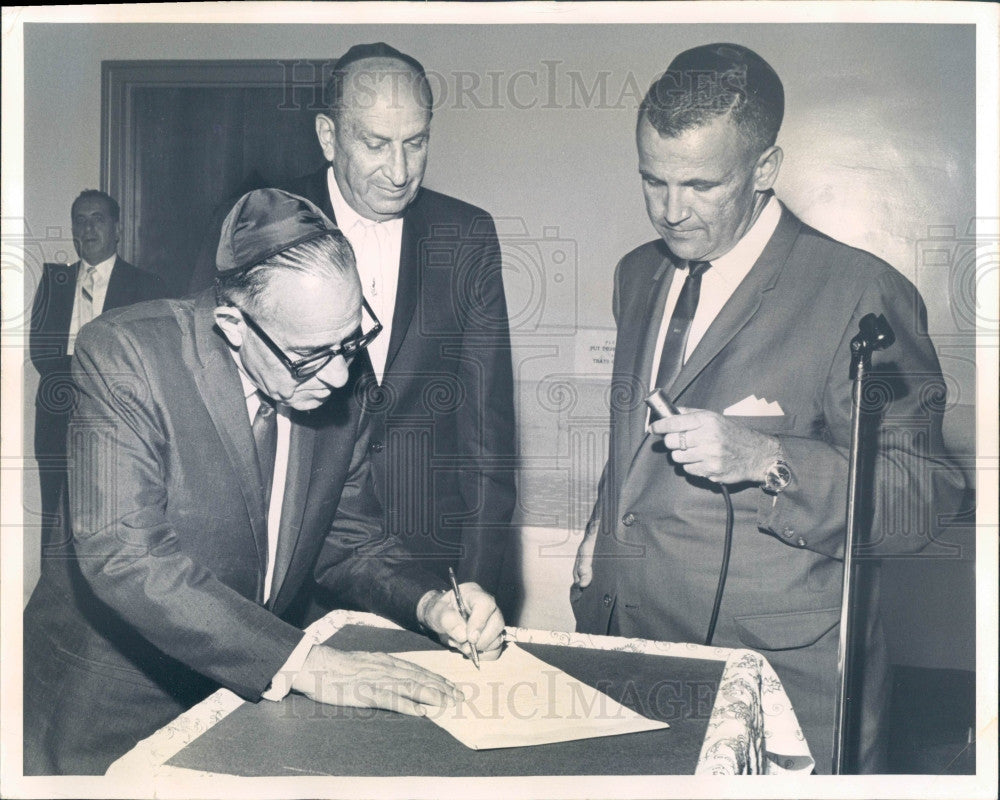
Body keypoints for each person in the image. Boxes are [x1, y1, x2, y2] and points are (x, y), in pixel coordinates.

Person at [570, 43, 963, 773]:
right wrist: (600, 535)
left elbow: (926, 499)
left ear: (765, 169)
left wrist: (767, 460)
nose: (670, 210)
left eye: (700, 185)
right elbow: (635, 434)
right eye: (652, 180)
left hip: (783, 688)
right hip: (628, 655)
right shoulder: (637, 274)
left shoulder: (860, 292)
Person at [22, 188, 504, 775]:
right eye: (308, 356)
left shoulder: (337, 369)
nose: (338, 374)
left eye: (351, 342)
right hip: (105, 713)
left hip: (242, 701)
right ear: (233, 324)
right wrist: (307, 663)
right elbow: (124, 555)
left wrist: (430, 602)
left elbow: (349, 538)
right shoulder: (126, 357)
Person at [283, 42, 516, 601]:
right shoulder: (271, 222)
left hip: (431, 564)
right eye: (376, 144)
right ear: (328, 136)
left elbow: (489, 433)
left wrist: (476, 586)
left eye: (416, 143)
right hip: (300, 559)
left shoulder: (466, 236)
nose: (399, 171)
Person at [29, 190, 168, 557]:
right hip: (56, 421)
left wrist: (75, 361)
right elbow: (42, 354)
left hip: (117, 425)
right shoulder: (55, 281)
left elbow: (144, 362)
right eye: (80, 219)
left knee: (109, 527)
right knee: (55, 526)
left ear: (117, 229)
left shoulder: (145, 286)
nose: (88, 227)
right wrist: (100, 365)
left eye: (98, 219)